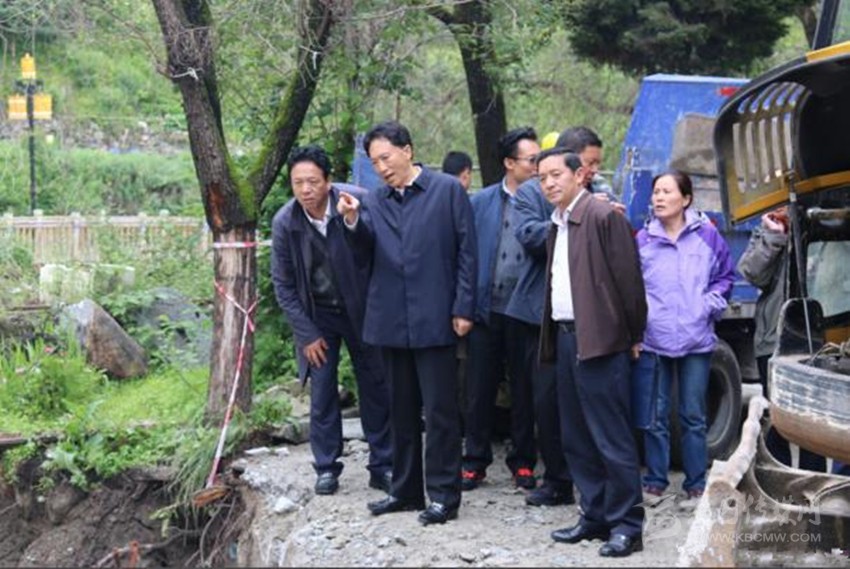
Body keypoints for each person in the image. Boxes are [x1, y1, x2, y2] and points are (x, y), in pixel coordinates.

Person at [337, 120, 477, 525]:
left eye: (386, 157)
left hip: (436, 315)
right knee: (399, 410)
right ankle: (405, 490)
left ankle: (444, 495)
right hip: (391, 320)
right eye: (374, 162)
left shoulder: (446, 191)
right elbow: (363, 254)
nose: (381, 168)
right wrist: (352, 222)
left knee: (440, 411)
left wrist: (464, 307)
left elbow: (468, 251)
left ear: (408, 151)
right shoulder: (375, 200)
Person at [538, 148, 647, 558]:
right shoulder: (557, 223)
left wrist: (633, 334)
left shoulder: (603, 216)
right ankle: (595, 515)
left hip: (603, 340)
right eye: (542, 178)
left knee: (611, 437)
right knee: (577, 436)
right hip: (567, 338)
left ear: (580, 174)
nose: (549, 183)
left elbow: (630, 284)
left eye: (556, 174)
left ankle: (627, 525)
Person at [270, 145, 393, 496]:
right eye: (298, 183)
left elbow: (377, 252)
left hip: (362, 310)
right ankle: (326, 467)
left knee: (375, 384)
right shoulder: (286, 222)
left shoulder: (357, 201)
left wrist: (352, 222)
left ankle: (382, 464)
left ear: (328, 181)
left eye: (312, 181)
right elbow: (283, 285)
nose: (305, 190)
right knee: (322, 390)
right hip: (318, 314)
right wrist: (306, 334)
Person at [636, 171, 735, 507]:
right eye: (656, 192)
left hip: (696, 339)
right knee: (655, 415)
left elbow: (725, 276)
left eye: (667, 192)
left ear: (686, 199)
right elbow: (631, 285)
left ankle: (696, 484)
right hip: (653, 338)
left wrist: (707, 306)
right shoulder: (643, 239)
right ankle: (655, 482)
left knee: (693, 415)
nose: (659, 198)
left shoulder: (707, 236)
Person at [462, 127, 540, 491]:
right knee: (479, 388)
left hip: (525, 310)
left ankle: (522, 461)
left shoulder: (543, 200)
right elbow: (465, 256)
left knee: (525, 388)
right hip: (486, 308)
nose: (538, 167)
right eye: (532, 160)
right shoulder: (480, 203)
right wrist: (462, 306)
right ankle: (474, 461)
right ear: (510, 163)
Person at [737, 207, 826, 472]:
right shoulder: (767, 232)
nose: (780, 207)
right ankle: (779, 482)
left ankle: (814, 484)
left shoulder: (821, 220)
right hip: (774, 338)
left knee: (814, 420)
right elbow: (752, 273)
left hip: (817, 337)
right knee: (777, 418)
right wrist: (774, 238)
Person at [555, 126, 623, 211]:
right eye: (590, 163)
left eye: (597, 164)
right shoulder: (541, 196)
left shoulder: (604, 196)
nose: (595, 170)